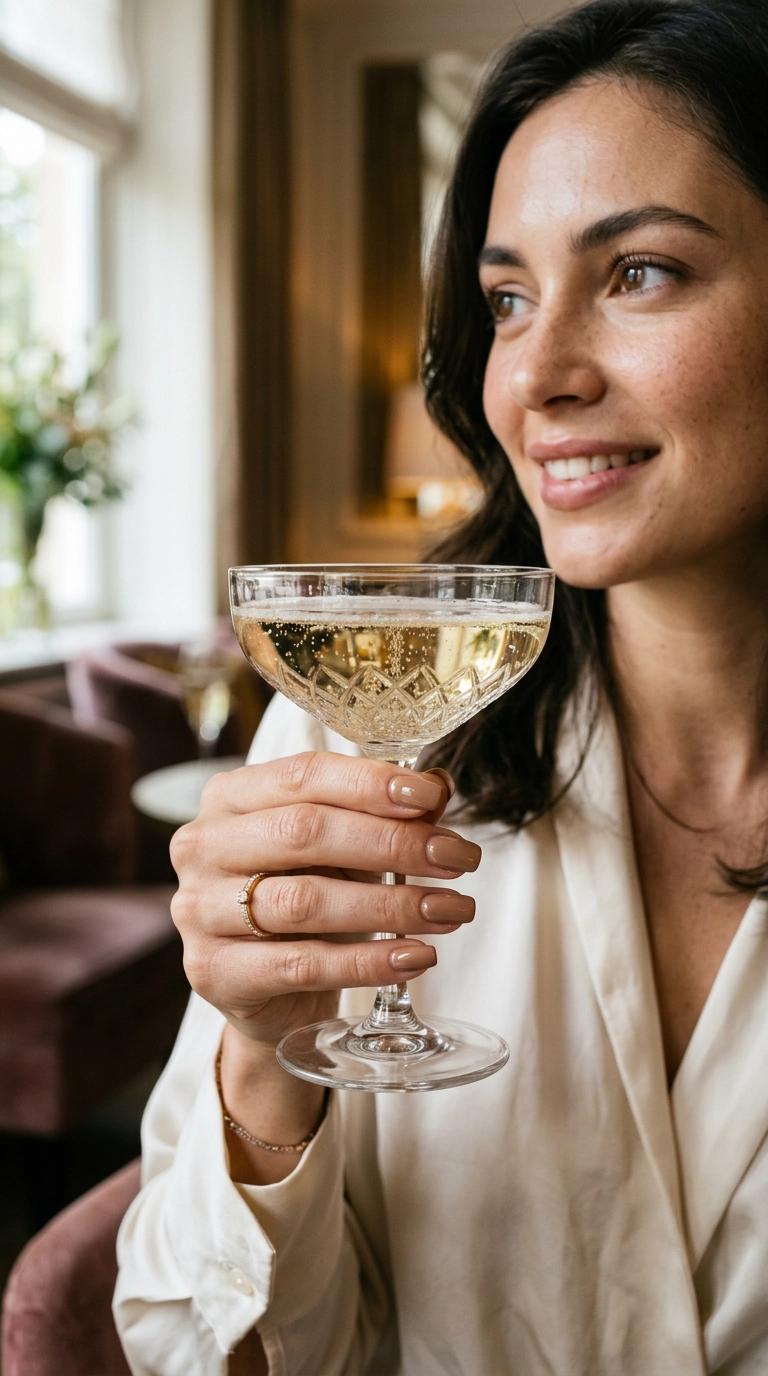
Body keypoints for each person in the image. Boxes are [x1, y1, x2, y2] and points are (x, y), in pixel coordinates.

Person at [114, 1, 768, 1371]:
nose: (536, 373)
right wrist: (260, 1071)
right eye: (507, 300)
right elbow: (190, 1349)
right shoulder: (367, 743)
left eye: (640, 272)